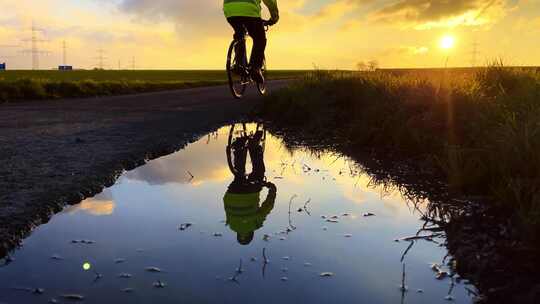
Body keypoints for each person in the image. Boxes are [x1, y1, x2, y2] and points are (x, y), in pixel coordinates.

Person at [223, 129, 277, 245]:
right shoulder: (231, 225)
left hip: (250, 192)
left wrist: (272, 190)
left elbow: (267, 207)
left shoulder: (255, 225)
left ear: (251, 233)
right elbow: (227, 207)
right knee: (239, 174)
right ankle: (239, 147)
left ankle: (254, 147)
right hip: (232, 192)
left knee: (258, 173)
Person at [223, 0, 279, 84]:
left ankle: (238, 64)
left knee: (240, 35)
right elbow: (270, 1)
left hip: (230, 11)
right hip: (250, 12)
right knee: (259, 39)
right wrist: (274, 17)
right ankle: (255, 68)